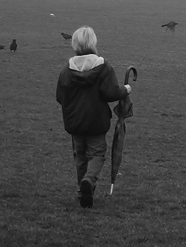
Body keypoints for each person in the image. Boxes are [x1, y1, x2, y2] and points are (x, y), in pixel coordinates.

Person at [56, 26, 131, 208]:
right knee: (96, 154)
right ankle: (89, 181)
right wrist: (125, 90)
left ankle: (83, 191)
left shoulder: (67, 69)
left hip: (75, 123)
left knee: (80, 156)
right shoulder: (103, 67)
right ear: (93, 42)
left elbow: (60, 96)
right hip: (96, 121)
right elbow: (111, 93)